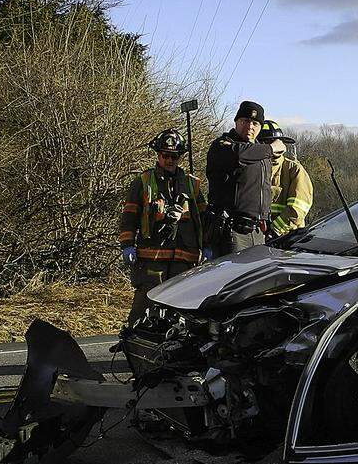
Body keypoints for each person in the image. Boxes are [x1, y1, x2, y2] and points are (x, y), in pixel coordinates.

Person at [119, 128, 205, 324]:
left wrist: (207, 246)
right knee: (145, 304)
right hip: (152, 259)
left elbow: (203, 218)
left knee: (181, 309)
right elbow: (129, 217)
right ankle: (132, 342)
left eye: (175, 156)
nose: (170, 160)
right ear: (158, 155)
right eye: (165, 155)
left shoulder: (192, 185)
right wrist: (127, 244)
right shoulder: (143, 182)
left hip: (184, 259)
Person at [205, 101, 284, 256]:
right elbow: (239, 154)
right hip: (232, 231)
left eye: (255, 123)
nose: (250, 127)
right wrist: (272, 148)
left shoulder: (261, 151)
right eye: (245, 121)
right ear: (236, 122)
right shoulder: (223, 145)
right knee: (233, 278)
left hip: (258, 231)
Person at [258, 120, 314, 237]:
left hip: (286, 239)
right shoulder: (251, 169)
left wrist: (274, 231)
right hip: (256, 237)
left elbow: (298, 208)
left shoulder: (293, 169)